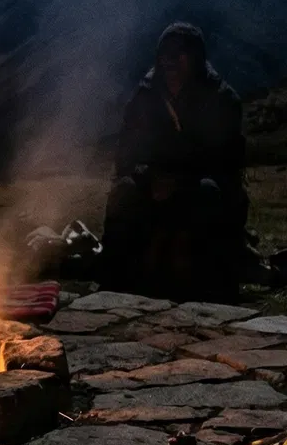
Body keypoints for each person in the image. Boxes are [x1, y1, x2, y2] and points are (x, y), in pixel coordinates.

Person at [101, 22, 249, 302]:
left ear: (196, 58)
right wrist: (147, 177)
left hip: (201, 181)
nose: (170, 60)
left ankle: (211, 292)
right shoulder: (145, 97)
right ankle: (114, 286)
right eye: (165, 54)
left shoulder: (220, 99)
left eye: (179, 53)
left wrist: (181, 182)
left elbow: (227, 159)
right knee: (122, 194)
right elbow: (127, 153)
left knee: (209, 195)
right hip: (153, 181)